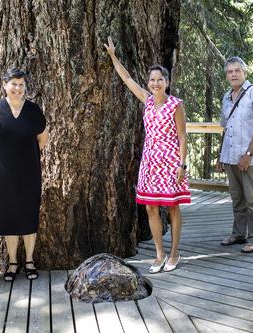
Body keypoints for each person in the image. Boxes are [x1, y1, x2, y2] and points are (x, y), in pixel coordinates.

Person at [105, 37, 190, 273]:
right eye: (152, 80)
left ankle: (174, 253)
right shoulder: (147, 100)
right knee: (151, 207)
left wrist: (182, 165)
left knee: (172, 207)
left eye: (159, 80)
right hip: (150, 161)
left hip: (171, 159)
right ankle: (159, 254)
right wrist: (113, 56)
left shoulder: (176, 105)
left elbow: (183, 136)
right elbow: (127, 79)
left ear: (167, 82)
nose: (155, 83)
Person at [0, 68, 48, 281]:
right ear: (4, 85)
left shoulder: (33, 110)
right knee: (9, 217)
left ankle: (29, 261)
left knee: (29, 215)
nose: (18, 88)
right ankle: (12, 263)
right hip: (3, 173)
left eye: (21, 85)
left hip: (30, 171)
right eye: (14, 84)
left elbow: (42, 139)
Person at [217, 57, 253, 253]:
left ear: (244, 73)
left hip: (248, 158)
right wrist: (221, 154)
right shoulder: (227, 96)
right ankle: (239, 234)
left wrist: (248, 154)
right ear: (226, 75)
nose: (234, 74)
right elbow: (225, 128)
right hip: (230, 156)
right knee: (237, 198)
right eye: (230, 71)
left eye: (237, 70)